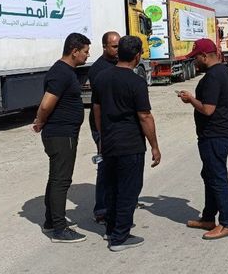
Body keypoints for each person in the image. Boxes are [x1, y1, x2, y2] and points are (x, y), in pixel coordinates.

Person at [92, 36, 161, 252]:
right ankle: (120, 237)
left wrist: (102, 135)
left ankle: (112, 228)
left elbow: (96, 109)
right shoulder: (136, 82)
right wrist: (155, 146)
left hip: (110, 142)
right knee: (129, 189)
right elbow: (144, 116)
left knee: (112, 187)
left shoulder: (102, 77)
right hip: (130, 144)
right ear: (137, 55)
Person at [33, 32, 90, 243]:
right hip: (61, 134)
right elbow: (47, 103)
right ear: (74, 51)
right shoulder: (61, 73)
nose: (87, 55)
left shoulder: (66, 71)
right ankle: (59, 228)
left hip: (64, 133)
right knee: (61, 180)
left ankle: (51, 220)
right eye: (85, 51)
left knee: (56, 177)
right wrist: (39, 121)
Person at [178, 39, 228, 240]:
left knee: (218, 178)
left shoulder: (213, 77)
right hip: (220, 133)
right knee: (209, 175)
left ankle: (226, 223)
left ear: (205, 56)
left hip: (214, 135)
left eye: (196, 58)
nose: (194, 62)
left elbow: (208, 109)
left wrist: (190, 99)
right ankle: (208, 217)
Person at [87, 31, 120, 224]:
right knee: (105, 165)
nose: (117, 50)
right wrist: (101, 133)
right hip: (102, 125)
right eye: (114, 47)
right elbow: (100, 104)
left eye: (118, 46)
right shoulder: (99, 69)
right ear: (105, 47)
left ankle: (115, 203)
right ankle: (101, 209)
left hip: (115, 124)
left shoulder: (119, 64)